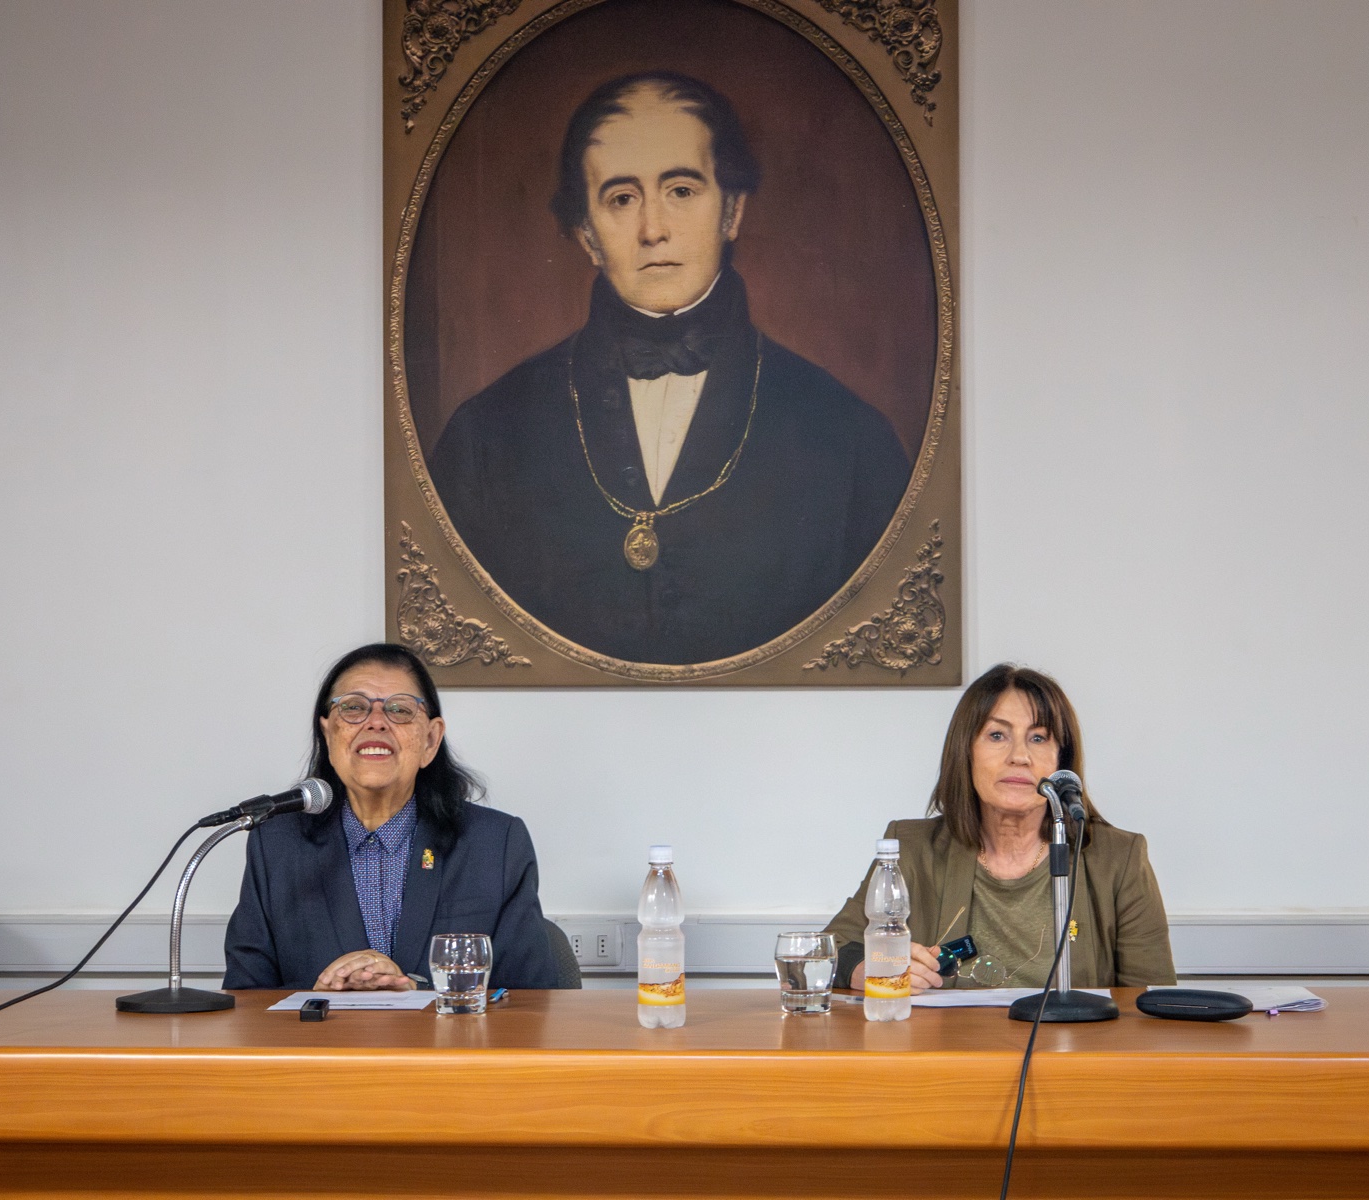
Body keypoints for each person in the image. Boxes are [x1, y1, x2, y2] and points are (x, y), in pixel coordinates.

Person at [427, 71, 912, 666]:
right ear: (585, 235)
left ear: (731, 209)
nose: (653, 229)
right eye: (621, 198)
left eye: (681, 190)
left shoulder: (852, 441)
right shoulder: (483, 436)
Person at [223, 643, 558, 990]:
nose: (376, 723)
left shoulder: (495, 844)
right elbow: (246, 999)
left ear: (430, 740)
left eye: (399, 710)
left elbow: (532, 1002)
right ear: (327, 734)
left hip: (445, 1045)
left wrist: (416, 992)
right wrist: (319, 999)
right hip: (320, 1044)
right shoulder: (276, 843)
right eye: (354, 708)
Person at [825, 664, 1176, 991]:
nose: (1019, 756)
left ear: (1060, 761)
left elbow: (1150, 1003)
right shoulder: (913, 848)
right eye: (997, 735)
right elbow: (832, 949)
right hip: (949, 1054)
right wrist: (867, 967)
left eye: (1038, 738)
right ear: (966, 752)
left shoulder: (1118, 858)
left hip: (1074, 1055)